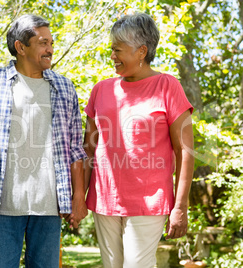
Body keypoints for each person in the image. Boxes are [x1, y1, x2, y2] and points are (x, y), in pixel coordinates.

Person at [0, 14, 88, 267]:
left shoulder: (65, 87)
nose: (50, 49)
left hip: (50, 206)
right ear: (20, 47)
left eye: (51, 43)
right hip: (2, 206)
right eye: (43, 43)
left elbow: (75, 149)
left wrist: (78, 198)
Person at [83, 13, 195, 268]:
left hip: (150, 200)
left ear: (141, 51)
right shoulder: (102, 89)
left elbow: (185, 151)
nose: (112, 56)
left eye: (118, 50)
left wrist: (181, 206)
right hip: (105, 198)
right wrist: (80, 197)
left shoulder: (167, 86)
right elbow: (89, 148)